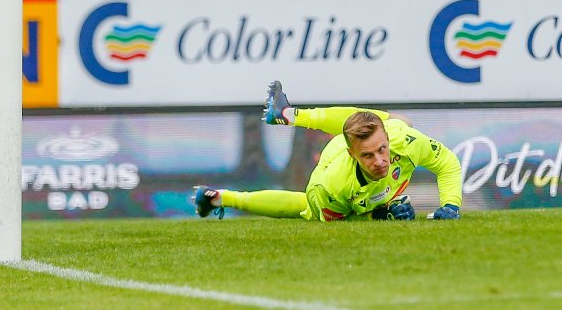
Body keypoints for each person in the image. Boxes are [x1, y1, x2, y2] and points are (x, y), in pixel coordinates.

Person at [194, 81, 463, 222]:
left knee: (399, 120)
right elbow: (342, 219)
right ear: (354, 155)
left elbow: (447, 163)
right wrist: (380, 213)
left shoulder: (404, 138)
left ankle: (288, 114)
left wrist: (451, 205)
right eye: (368, 156)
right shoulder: (333, 185)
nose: (380, 161)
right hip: (327, 176)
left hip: (372, 138)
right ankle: (223, 198)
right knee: (304, 208)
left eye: (382, 150)